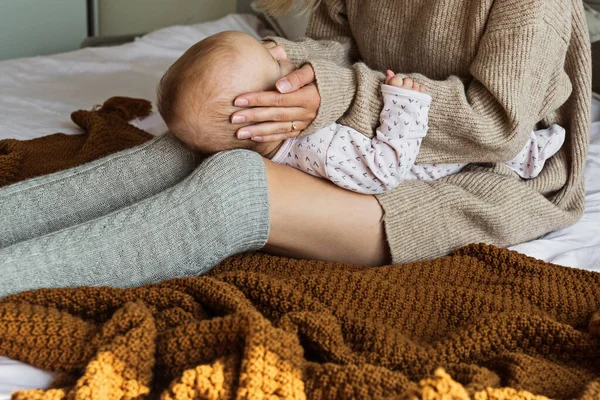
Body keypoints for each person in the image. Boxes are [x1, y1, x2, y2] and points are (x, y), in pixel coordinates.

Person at [0, 0, 589, 297]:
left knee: (234, 187)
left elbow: (497, 125)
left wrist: (337, 94)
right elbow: (335, 49)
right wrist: (283, 73)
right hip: (377, 131)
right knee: (201, 137)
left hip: (488, 175)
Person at [157, 31, 565, 194]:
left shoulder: (285, 142)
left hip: (479, 126)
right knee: (460, 160)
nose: (292, 65)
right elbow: (385, 170)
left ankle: (517, 155)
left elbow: (495, 122)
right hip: (420, 158)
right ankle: (518, 159)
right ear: (262, 121)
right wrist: (405, 106)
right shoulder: (319, 144)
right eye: (281, 69)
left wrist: (342, 86)